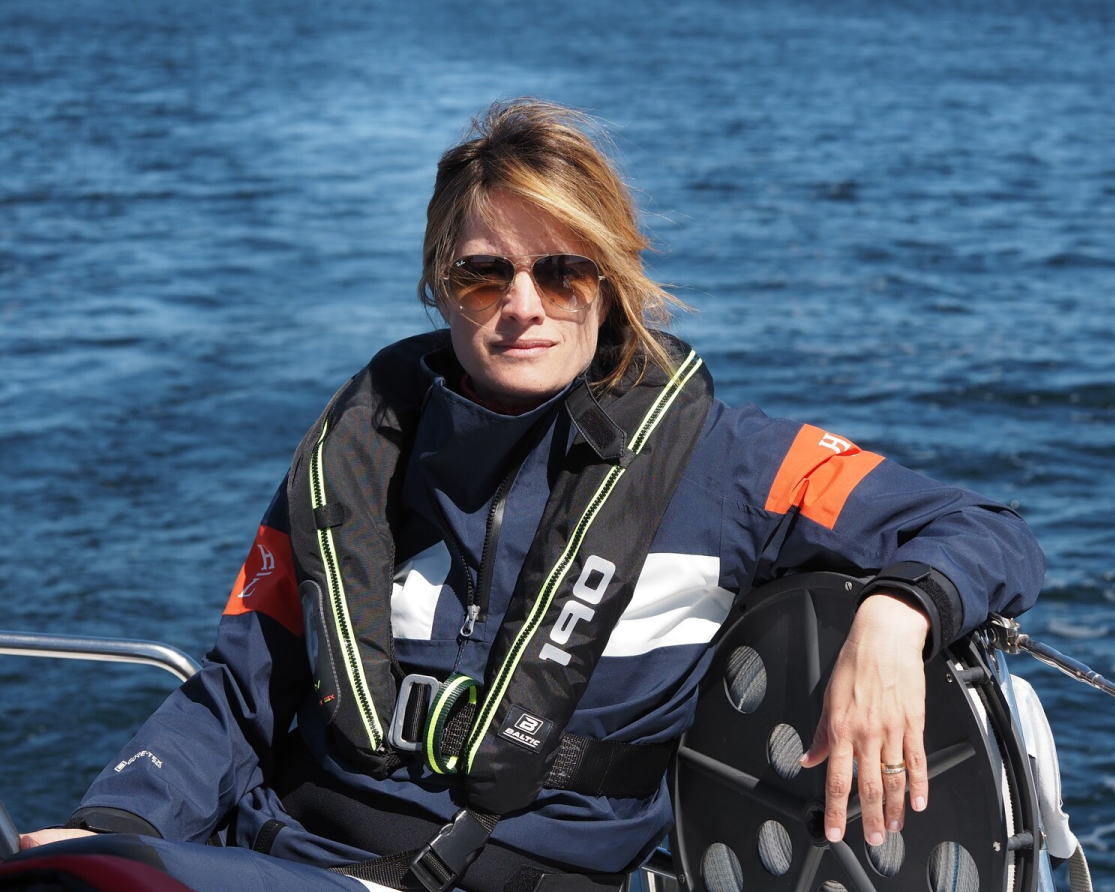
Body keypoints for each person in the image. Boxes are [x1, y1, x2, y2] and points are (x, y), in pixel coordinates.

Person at [18, 99, 1044, 892]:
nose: (523, 307)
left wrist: (897, 614)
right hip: (281, 856)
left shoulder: (732, 465)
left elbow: (983, 528)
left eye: (563, 274)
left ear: (614, 282)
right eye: (483, 275)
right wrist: (118, 823)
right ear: (438, 284)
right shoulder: (356, 463)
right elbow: (241, 690)